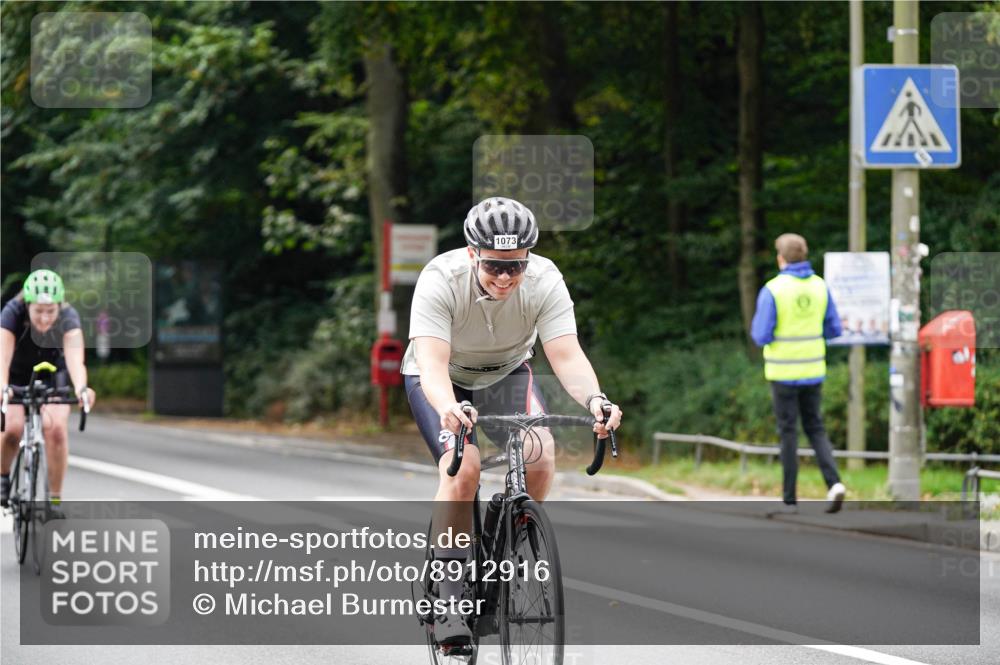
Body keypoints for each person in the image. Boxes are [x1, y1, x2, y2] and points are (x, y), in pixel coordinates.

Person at [402, 196, 622, 646]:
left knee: (540, 455)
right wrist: (448, 407)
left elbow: (566, 354)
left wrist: (595, 400)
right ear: (472, 254)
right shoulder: (440, 278)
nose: (505, 277)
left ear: (528, 258)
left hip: (505, 372)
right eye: (494, 266)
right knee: (463, 469)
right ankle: (448, 598)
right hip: (442, 377)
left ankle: (506, 539)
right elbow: (432, 363)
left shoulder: (545, 280)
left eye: (515, 266)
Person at [750, 234, 846, 514]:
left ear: (781, 258)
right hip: (813, 371)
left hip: (782, 373)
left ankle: (790, 499)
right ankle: (834, 484)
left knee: (788, 433)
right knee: (816, 427)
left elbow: (760, 335)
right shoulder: (820, 286)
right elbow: (834, 329)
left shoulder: (773, 289)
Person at [0, 269, 97, 516]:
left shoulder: (68, 316)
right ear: (28, 305)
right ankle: (3, 477)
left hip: (53, 374)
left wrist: (82, 388)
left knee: (56, 431)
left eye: (50, 311)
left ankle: (54, 500)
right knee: (11, 429)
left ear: (59, 306)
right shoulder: (12, 312)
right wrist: (2, 387)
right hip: (16, 374)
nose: (44, 318)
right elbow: (2, 358)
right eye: (39, 311)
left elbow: (76, 361)